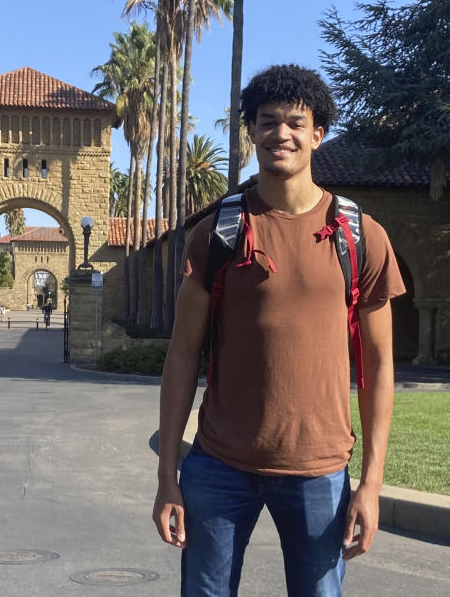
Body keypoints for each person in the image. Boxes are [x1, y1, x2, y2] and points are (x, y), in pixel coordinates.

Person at [152, 64, 406, 596]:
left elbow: (379, 369)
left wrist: (372, 484)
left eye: (296, 122)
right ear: (250, 131)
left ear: (318, 134)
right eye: (267, 121)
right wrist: (168, 477)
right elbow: (181, 358)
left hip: (320, 472)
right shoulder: (217, 233)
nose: (280, 134)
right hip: (219, 467)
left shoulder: (361, 237)